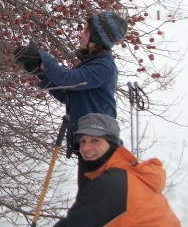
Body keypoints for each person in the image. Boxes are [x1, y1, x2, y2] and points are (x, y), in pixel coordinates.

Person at [14, 10, 128, 192]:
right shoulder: (93, 63)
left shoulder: (104, 66)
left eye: (86, 31)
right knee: (90, 192)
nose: (80, 34)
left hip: (101, 142)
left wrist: (43, 58)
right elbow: (69, 95)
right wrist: (42, 74)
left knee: (100, 194)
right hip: (89, 138)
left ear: (97, 39)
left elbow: (69, 80)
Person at [54, 113, 181, 226]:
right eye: (82, 141)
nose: (85, 148)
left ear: (112, 144)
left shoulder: (112, 182)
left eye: (95, 140)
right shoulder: (123, 171)